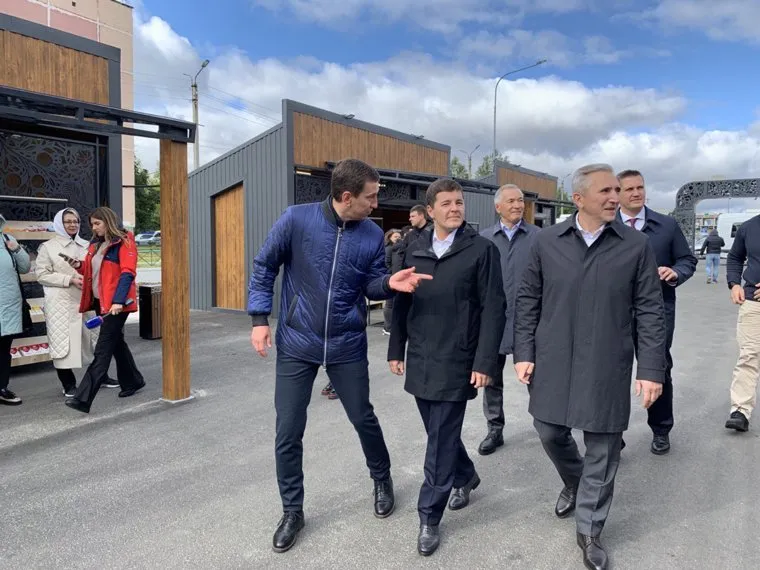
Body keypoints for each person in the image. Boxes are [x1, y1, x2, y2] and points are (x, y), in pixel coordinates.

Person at [248, 158, 431, 554]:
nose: (376, 204)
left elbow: (370, 284)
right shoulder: (296, 220)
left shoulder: (371, 234)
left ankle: (381, 478)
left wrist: (390, 282)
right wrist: (259, 318)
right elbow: (264, 267)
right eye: (371, 197)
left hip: (347, 342)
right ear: (347, 197)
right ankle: (292, 510)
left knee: (362, 416)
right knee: (288, 429)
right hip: (298, 342)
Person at [514, 164, 666, 570]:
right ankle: (576, 482)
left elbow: (650, 310)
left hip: (606, 359)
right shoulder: (547, 241)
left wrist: (651, 369)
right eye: (606, 191)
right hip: (553, 357)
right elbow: (527, 299)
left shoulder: (636, 245)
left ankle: (590, 530)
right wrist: (523, 351)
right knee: (549, 431)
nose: (616, 197)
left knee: (603, 443)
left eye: (617, 190)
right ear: (578, 199)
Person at [388, 178, 505, 556]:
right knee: (438, 431)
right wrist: (396, 348)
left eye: (459, 202)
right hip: (422, 356)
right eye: (447, 203)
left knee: (439, 440)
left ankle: (429, 516)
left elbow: (494, 309)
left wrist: (485, 361)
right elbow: (402, 301)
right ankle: (466, 475)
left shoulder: (481, 250)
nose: (455, 208)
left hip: (459, 358)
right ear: (430, 210)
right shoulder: (415, 249)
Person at [617, 169, 696, 455]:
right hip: (614, 313)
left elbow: (687, 260)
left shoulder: (666, 226)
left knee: (657, 366)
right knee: (612, 369)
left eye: (640, 187)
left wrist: (675, 272)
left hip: (657, 310)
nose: (636, 193)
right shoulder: (608, 226)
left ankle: (661, 429)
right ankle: (611, 433)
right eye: (629, 189)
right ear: (618, 193)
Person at [64, 207, 145, 414]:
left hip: (117, 305)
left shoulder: (125, 241)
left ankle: (82, 398)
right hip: (102, 303)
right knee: (117, 343)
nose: (93, 228)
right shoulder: (96, 244)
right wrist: (78, 265)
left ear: (108, 222)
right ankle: (133, 381)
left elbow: (128, 273)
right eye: (92, 224)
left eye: (97, 223)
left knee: (103, 349)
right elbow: (93, 271)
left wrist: (118, 301)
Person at [477, 184, 539, 456]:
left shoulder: (539, 237)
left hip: (531, 320)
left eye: (520, 200)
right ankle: (495, 428)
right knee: (491, 379)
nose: (517, 205)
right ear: (498, 207)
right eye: (511, 201)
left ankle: (546, 425)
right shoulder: (483, 239)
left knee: (537, 377)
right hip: (494, 320)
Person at [35, 208, 117, 397]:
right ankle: (68, 384)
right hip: (61, 302)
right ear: (59, 223)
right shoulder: (48, 247)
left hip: (86, 300)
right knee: (62, 343)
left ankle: (101, 376)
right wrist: (69, 279)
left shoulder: (88, 245)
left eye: (76, 221)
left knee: (94, 339)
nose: (73, 225)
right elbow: (41, 274)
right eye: (68, 221)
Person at [724, 214, 760, 432]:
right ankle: (740, 410)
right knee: (748, 356)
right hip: (753, 302)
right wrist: (734, 283)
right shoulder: (748, 227)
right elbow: (735, 257)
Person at [0, 217, 31, 406]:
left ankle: (2, 388)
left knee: (4, 349)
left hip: (8, 305)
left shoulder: (7, 239)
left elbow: (25, 267)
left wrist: (17, 249)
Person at [382, 229, 402, 335]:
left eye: (399, 237)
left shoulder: (397, 248)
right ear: (389, 237)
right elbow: (386, 263)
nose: (398, 238)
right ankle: (387, 327)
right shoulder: (389, 249)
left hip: (395, 277)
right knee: (390, 303)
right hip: (390, 278)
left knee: (394, 303)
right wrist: (392, 273)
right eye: (395, 237)